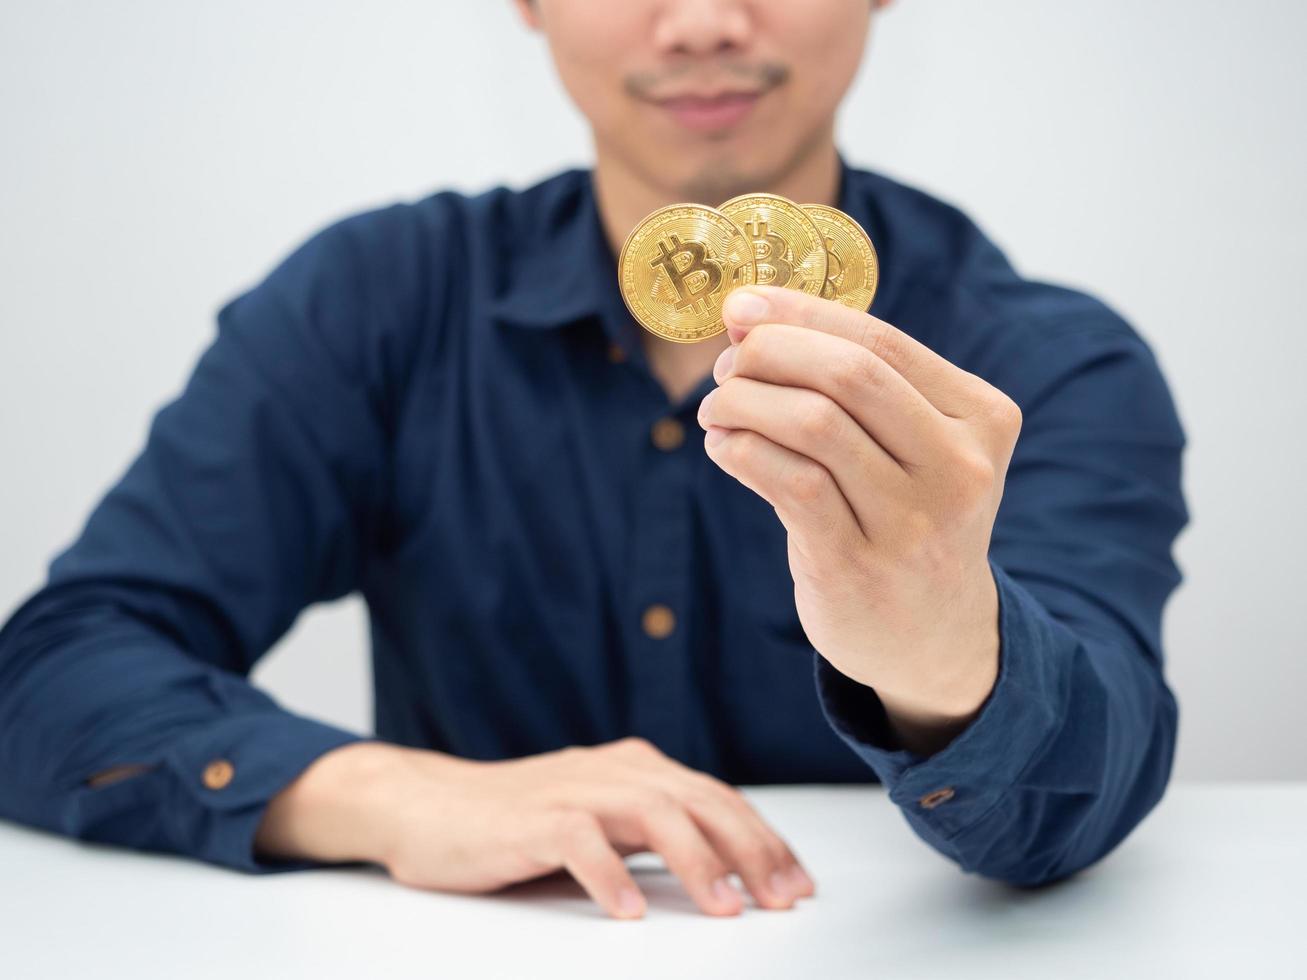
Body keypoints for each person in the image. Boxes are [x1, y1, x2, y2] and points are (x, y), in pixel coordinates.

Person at [0, 0, 1189, 921]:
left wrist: (935, 646)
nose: (704, 23)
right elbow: (53, 671)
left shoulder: (1041, 364)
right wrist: (389, 794)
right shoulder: (370, 306)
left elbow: (1084, 793)